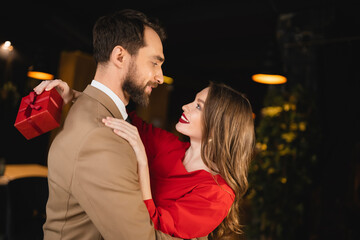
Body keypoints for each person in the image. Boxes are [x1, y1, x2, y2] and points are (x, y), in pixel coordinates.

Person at [35, 79, 256, 239]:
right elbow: (120, 120)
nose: (185, 106)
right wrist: (74, 95)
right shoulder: (170, 146)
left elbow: (154, 226)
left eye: (198, 106)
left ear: (220, 127)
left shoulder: (217, 194)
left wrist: (142, 161)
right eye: (193, 101)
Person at [38, 9, 167, 240]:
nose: (159, 76)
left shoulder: (88, 109)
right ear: (120, 56)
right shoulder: (101, 137)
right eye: (154, 63)